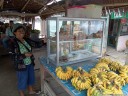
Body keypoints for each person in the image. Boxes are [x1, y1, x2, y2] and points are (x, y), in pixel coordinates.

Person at [10, 24, 36, 96]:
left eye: (23, 31)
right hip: (21, 65)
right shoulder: (13, 42)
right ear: (14, 32)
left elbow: (35, 44)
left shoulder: (26, 40)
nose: (22, 32)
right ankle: (21, 93)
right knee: (22, 79)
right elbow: (13, 56)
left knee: (31, 77)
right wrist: (24, 55)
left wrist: (46, 41)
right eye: (19, 31)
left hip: (30, 62)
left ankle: (30, 90)